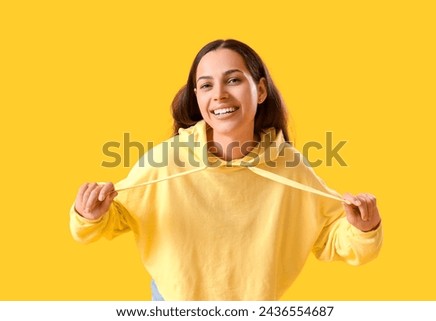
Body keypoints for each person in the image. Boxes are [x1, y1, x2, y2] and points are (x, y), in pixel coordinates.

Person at [70, 39, 382, 301]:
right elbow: (110, 221)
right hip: (172, 303)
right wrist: (90, 213)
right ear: (198, 97)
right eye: (206, 85)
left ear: (259, 91)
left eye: (233, 80)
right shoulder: (166, 160)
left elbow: (333, 237)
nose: (219, 94)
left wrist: (364, 227)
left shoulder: (289, 166)